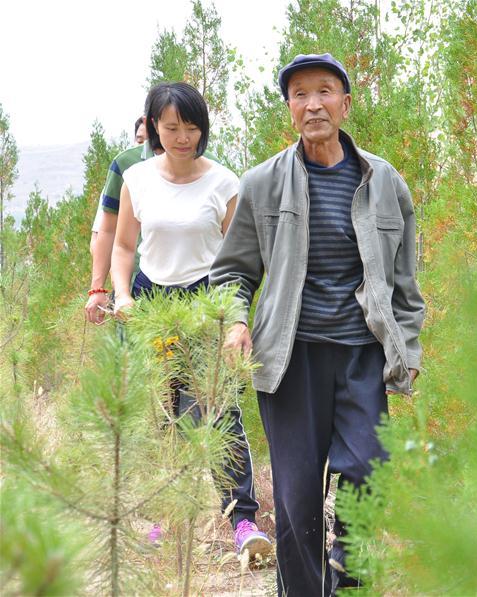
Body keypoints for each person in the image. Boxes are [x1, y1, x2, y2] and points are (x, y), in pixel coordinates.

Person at [210, 53, 425, 596]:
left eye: (325, 92)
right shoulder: (261, 184)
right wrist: (237, 322)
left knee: (366, 476)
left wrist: (410, 350)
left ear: (345, 103)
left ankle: (349, 581)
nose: (313, 104)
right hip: (291, 357)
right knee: (297, 496)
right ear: (289, 108)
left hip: (362, 355)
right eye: (300, 94)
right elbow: (233, 271)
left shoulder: (385, 183)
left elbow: (404, 282)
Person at [109, 82, 273, 558]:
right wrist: (121, 295)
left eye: (191, 127)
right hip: (151, 305)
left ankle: (243, 521)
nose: (182, 137)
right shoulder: (136, 179)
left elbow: (241, 258)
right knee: (163, 415)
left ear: (203, 128)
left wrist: (233, 319)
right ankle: (160, 522)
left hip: (208, 303)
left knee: (219, 412)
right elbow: (123, 247)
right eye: (171, 127)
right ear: (154, 128)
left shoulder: (225, 183)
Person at [85, 115, 154, 323]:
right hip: (128, 287)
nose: (145, 145)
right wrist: (97, 288)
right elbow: (102, 233)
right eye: (140, 139)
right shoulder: (125, 168)